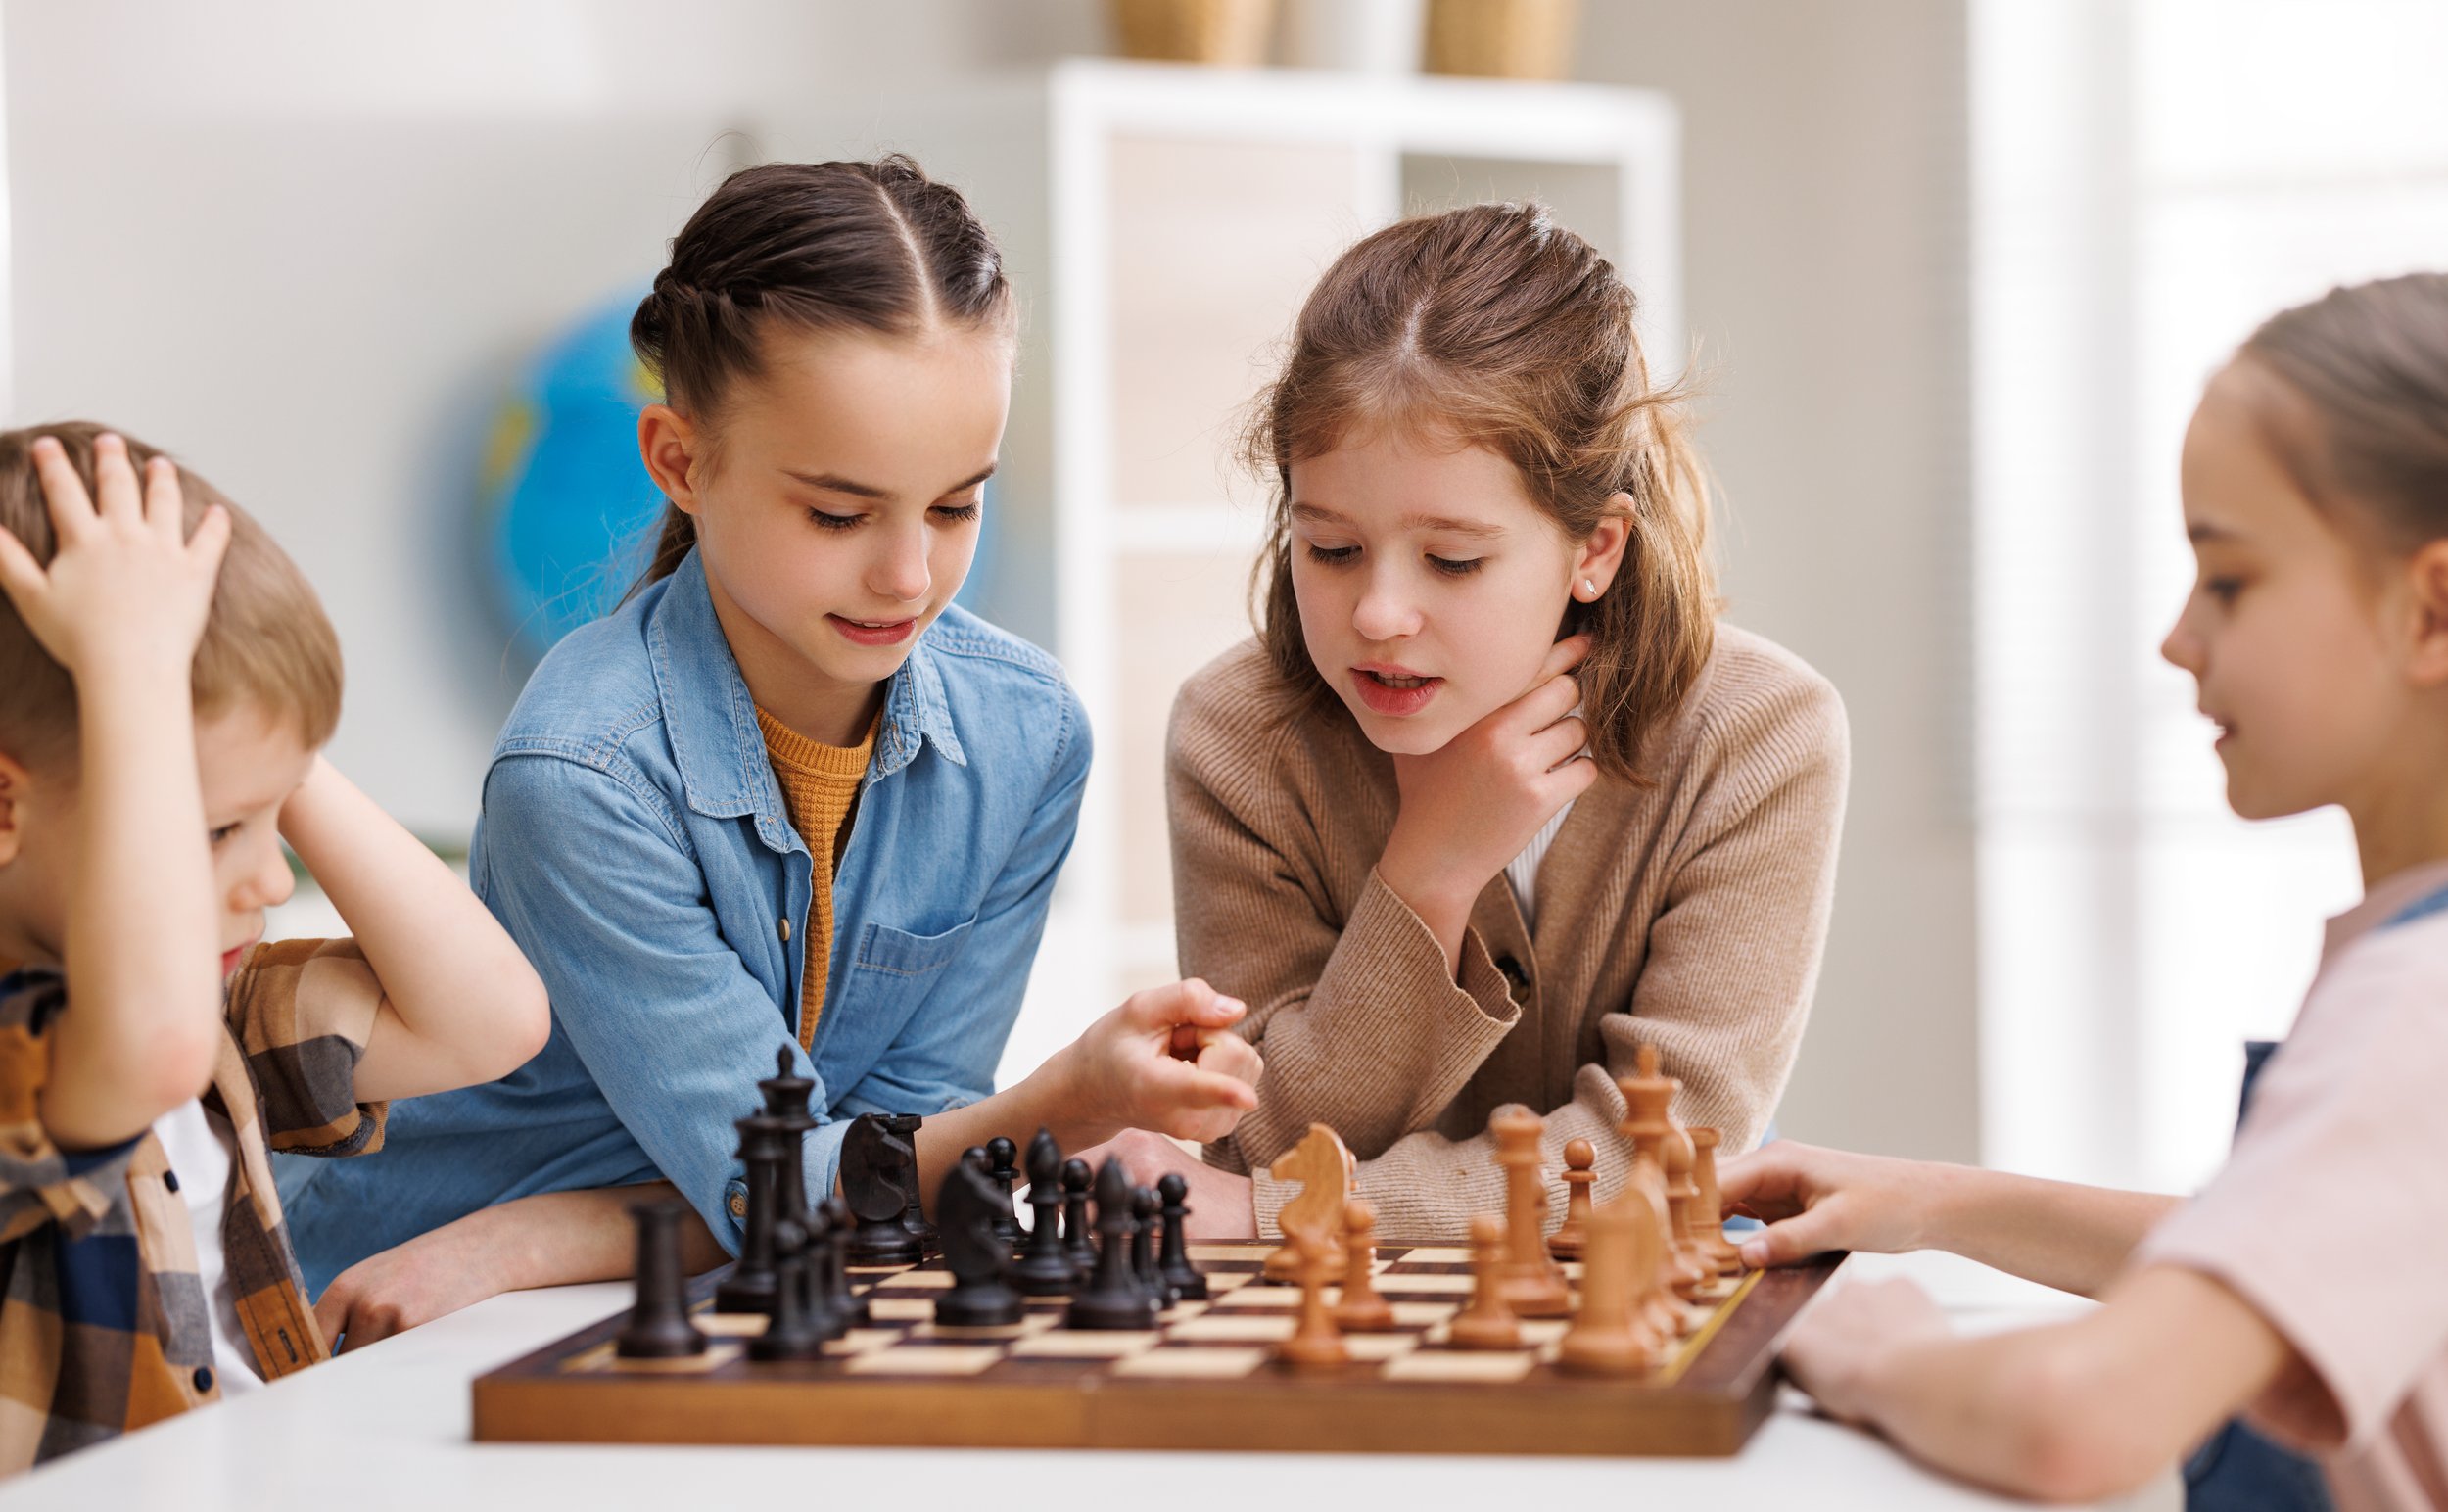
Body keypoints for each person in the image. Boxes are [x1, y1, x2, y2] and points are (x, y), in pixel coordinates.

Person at [284, 157, 1263, 1319]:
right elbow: (808, 1186)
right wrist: (1073, 1096)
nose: (910, 577)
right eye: (839, 513)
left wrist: (548, 1233)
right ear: (680, 461)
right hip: (415, 1311)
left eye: (956, 504)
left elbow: (897, 1157)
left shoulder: (1028, 736)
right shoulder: (581, 777)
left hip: (687, 1281)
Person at [1719, 273, 2448, 1509]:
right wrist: (1937, 1200)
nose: (2176, 636)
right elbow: (2300, 1244)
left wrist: (1874, 1352)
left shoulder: (2415, 1005)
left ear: (2431, 609)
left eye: (2228, 579)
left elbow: (2083, 1422)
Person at [1134, 202, 1848, 1239]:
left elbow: (1668, 1153)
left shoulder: (1759, 735)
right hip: (1324, 1325)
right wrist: (1427, 875)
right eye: (1329, 547)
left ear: (1594, 548)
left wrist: (1282, 1211)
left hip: (1637, 1303)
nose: (1376, 612)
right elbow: (1263, 1139)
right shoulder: (1235, 733)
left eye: (1453, 560)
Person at [0, 426, 550, 1469]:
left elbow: (492, 1019)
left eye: (269, 821)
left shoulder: (215, 1018)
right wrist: (134, 674)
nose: (267, 878)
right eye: (213, 830)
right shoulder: (99, 1041)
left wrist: (259, 733)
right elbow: (143, 1041)